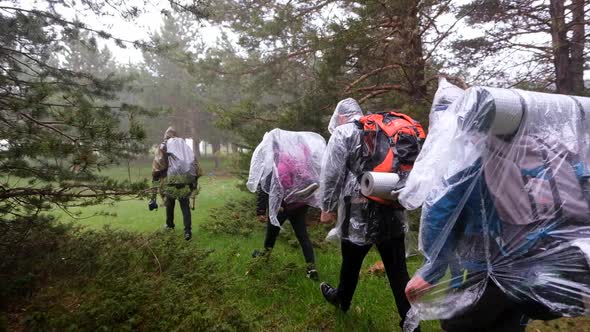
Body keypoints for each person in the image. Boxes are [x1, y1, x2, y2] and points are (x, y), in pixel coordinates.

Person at [318, 98, 417, 331]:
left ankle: (342, 299)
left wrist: (327, 207)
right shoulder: (383, 130)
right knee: (397, 269)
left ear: (341, 117)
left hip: (357, 208)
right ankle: (411, 323)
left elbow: (332, 173)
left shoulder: (344, 132)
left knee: (351, 261)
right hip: (390, 205)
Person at [247, 129, 326, 280]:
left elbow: (265, 186)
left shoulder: (276, 161)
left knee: (271, 234)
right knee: (303, 236)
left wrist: (260, 210)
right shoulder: (299, 157)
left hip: (282, 206)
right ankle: (311, 268)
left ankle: (263, 258)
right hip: (300, 204)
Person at [152, 127, 200, 241]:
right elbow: (194, 162)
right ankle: (187, 231)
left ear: (166, 136)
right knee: (185, 206)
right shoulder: (184, 146)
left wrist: (156, 178)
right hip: (185, 180)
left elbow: (157, 165)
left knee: (169, 204)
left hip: (171, 180)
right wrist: (194, 181)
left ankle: (170, 226)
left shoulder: (164, 146)